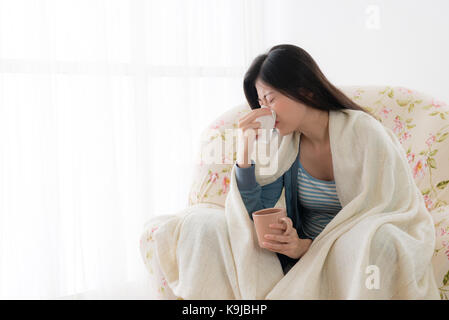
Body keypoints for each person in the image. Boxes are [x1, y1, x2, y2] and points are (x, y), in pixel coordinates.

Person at [235, 44, 375, 274]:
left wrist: (308, 246)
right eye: (261, 103)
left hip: (359, 255)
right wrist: (244, 153)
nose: (266, 112)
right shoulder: (284, 146)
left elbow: (389, 206)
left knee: (383, 241)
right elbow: (256, 215)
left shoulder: (363, 131)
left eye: (270, 99)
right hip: (307, 260)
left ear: (305, 90)